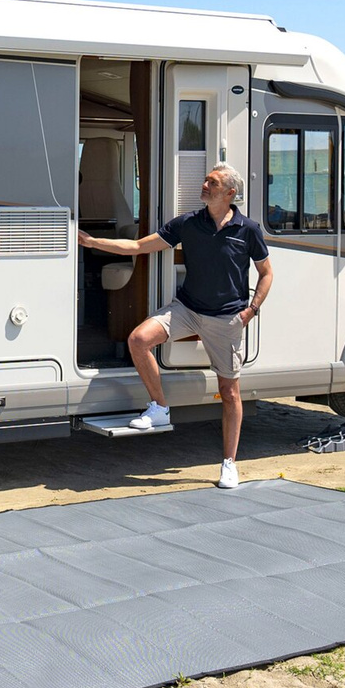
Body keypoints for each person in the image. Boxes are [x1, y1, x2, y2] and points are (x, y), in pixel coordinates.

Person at [77, 162, 272, 489]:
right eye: (206, 180)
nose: (205, 185)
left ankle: (229, 463)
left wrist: (251, 310)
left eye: (212, 182)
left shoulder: (247, 229)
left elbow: (266, 273)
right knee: (139, 339)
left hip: (226, 319)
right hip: (188, 309)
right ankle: (160, 407)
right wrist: (93, 242)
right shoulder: (189, 223)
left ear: (230, 193)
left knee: (229, 392)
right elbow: (139, 246)